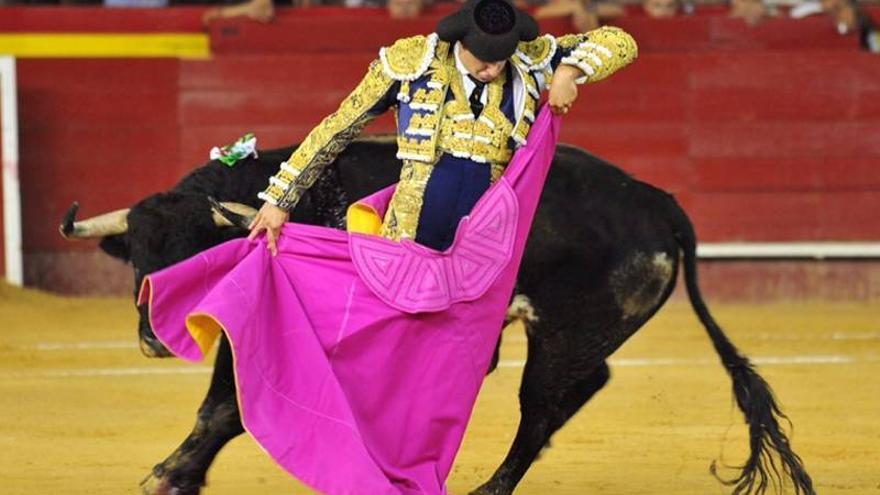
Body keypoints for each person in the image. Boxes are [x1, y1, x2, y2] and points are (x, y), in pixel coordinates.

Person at [248, 0, 637, 254]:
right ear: (459, 44)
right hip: (410, 234)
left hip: (483, 240)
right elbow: (338, 128)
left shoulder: (527, 59)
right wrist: (280, 199)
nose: (494, 69)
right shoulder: (412, 62)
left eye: (501, 60)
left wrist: (570, 70)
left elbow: (619, 40)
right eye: (483, 60)